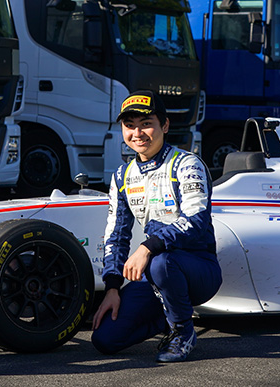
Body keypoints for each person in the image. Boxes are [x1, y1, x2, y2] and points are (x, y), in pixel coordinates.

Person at [91, 90, 222, 363]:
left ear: (164, 125)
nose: (138, 133)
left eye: (146, 123)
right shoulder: (122, 175)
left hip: (198, 269)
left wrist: (147, 247)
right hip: (157, 274)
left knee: (160, 262)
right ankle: (168, 318)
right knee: (105, 339)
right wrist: (112, 287)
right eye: (130, 125)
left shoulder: (186, 164)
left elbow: (196, 221)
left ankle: (183, 332)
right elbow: (116, 235)